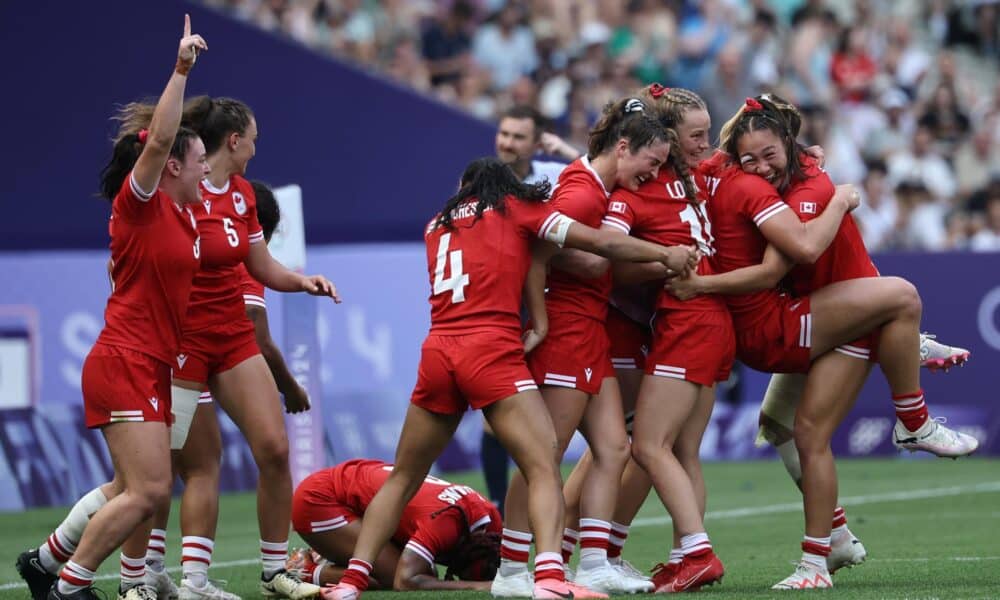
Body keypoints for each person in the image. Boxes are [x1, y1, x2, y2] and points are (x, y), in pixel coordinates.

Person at [319, 155, 698, 600]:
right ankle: (552, 579)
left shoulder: (434, 225)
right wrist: (664, 254)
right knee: (543, 466)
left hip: (438, 352)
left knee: (403, 476)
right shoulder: (516, 209)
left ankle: (350, 581)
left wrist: (538, 318)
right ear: (505, 186)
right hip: (490, 350)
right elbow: (600, 245)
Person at [667, 94, 978, 589]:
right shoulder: (754, 174)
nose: (760, 166)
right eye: (750, 158)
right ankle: (833, 535)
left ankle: (909, 420)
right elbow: (791, 245)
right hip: (801, 315)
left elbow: (796, 248)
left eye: (770, 155)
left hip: (820, 316)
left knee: (811, 427)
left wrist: (831, 192)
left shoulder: (797, 184)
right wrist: (843, 197)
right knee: (779, 425)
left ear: (787, 144)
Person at [28, 16, 208, 600]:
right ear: (171, 167)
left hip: (152, 362)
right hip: (124, 359)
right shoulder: (140, 205)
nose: (205, 167)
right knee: (149, 492)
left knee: (131, 486)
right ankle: (71, 587)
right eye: (198, 157)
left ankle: (45, 561)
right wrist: (180, 69)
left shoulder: (184, 217)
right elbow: (158, 140)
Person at [497, 97, 682, 597]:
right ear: (624, 147)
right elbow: (533, 252)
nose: (653, 175)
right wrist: (538, 320)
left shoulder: (592, 185)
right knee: (543, 457)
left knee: (614, 447)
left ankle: (595, 562)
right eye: (652, 163)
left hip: (590, 332)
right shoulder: (581, 194)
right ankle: (512, 570)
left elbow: (582, 259)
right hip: (566, 332)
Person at [482, 105, 580, 517]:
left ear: (537, 142)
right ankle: (499, 508)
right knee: (495, 414)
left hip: (553, 305)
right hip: (505, 307)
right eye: (504, 133)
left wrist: (569, 153)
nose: (507, 143)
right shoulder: (482, 183)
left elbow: (602, 181)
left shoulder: (553, 176)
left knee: (543, 414)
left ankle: (535, 505)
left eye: (518, 137)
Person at [287, 459, 501, 590]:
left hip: (354, 488)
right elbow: (404, 581)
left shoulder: (491, 519)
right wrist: (476, 585)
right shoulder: (444, 521)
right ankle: (303, 570)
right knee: (391, 577)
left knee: (423, 569)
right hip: (320, 499)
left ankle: (331, 549)